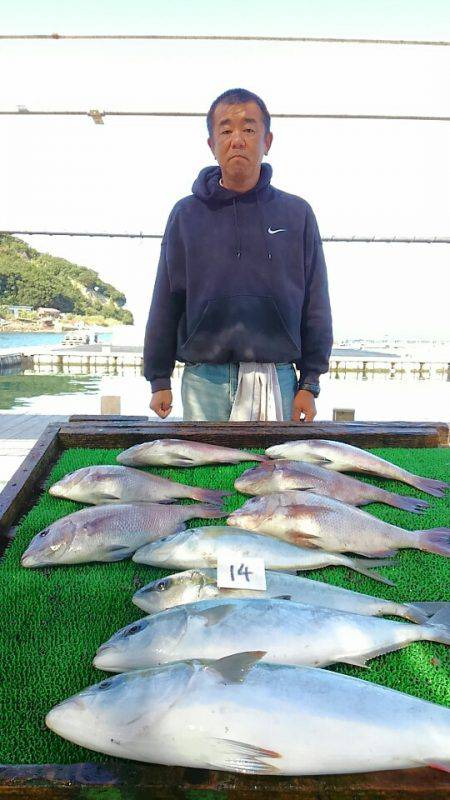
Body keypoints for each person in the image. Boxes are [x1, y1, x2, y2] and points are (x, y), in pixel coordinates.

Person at [144, 88, 333, 422]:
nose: (238, 140)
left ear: (267, 141)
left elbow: (315, 302)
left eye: (249, 129)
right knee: (205, 473)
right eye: (226, 130)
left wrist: (310, 381)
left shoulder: (297, 214)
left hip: (279, 376)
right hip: (203, 379)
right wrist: (159, 378)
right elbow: (166, 297)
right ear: (211, 144)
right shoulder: (186, 215)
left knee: (275, 472)